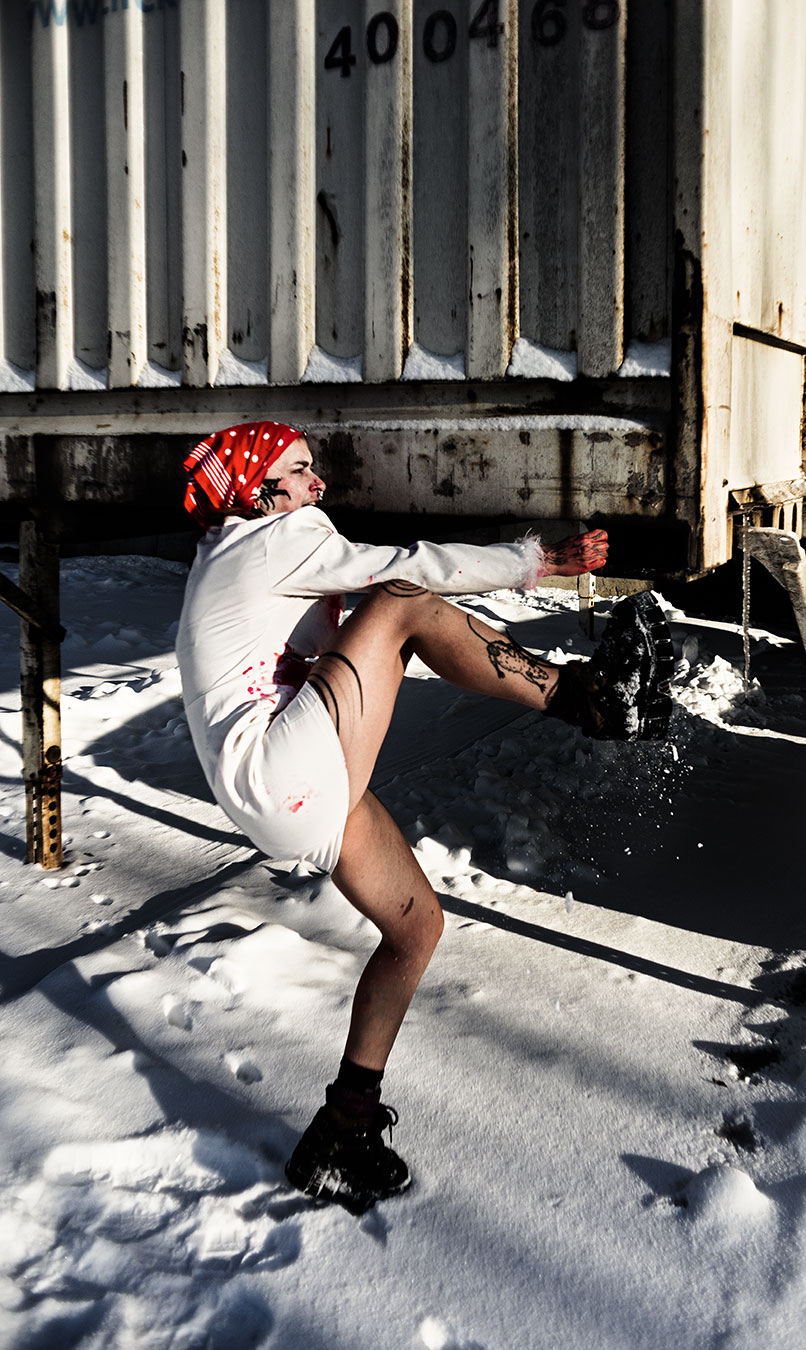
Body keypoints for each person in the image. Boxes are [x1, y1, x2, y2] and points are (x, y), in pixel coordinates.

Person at [176, 420, 672, 1215]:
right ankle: (593, 702)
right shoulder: (268, 540)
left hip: (282, 787)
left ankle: (344, 1133)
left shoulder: (240, 550)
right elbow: (405, 570)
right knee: (405, 601)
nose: (317, 485)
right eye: (300, 472)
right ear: (255, 487)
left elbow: (346, 608)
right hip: (284, 772)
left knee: (416, 928)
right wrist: (535, 562)